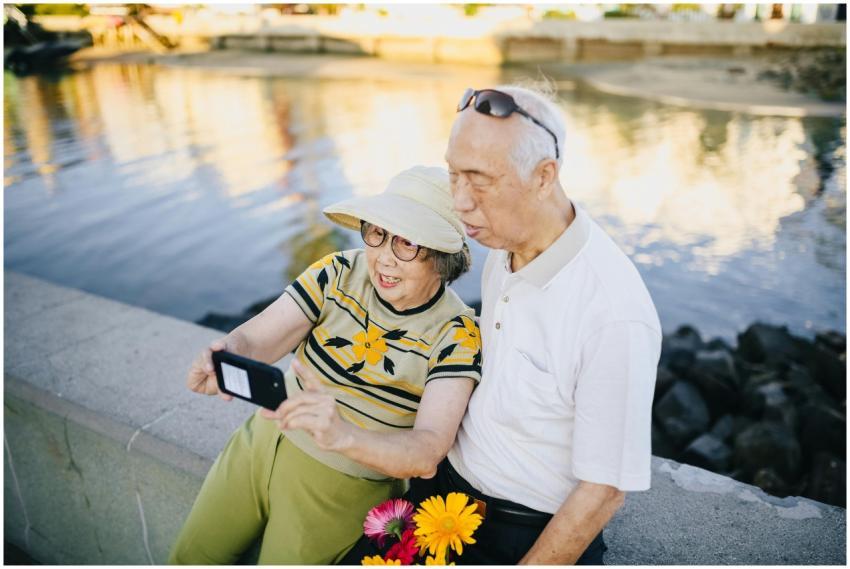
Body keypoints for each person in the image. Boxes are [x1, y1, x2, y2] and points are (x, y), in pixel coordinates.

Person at [168, 166, 483, 564]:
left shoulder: (458, 334)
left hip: (338, 491)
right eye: (378, 233)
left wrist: (341, 435)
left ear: (441, 258)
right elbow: (261, 337)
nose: (384, 258)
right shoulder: (339, 273)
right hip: (257, 445)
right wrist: (225, 353)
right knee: (188, 559)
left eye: (406, 243)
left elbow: (426, 452)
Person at [426, 85, 661, 564]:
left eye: (479, 180)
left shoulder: (613, 313)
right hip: (445, 498)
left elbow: (604, 491)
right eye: (453, 175)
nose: (460, 202)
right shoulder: (505, 245)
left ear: (543, 176)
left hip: (523, 527)